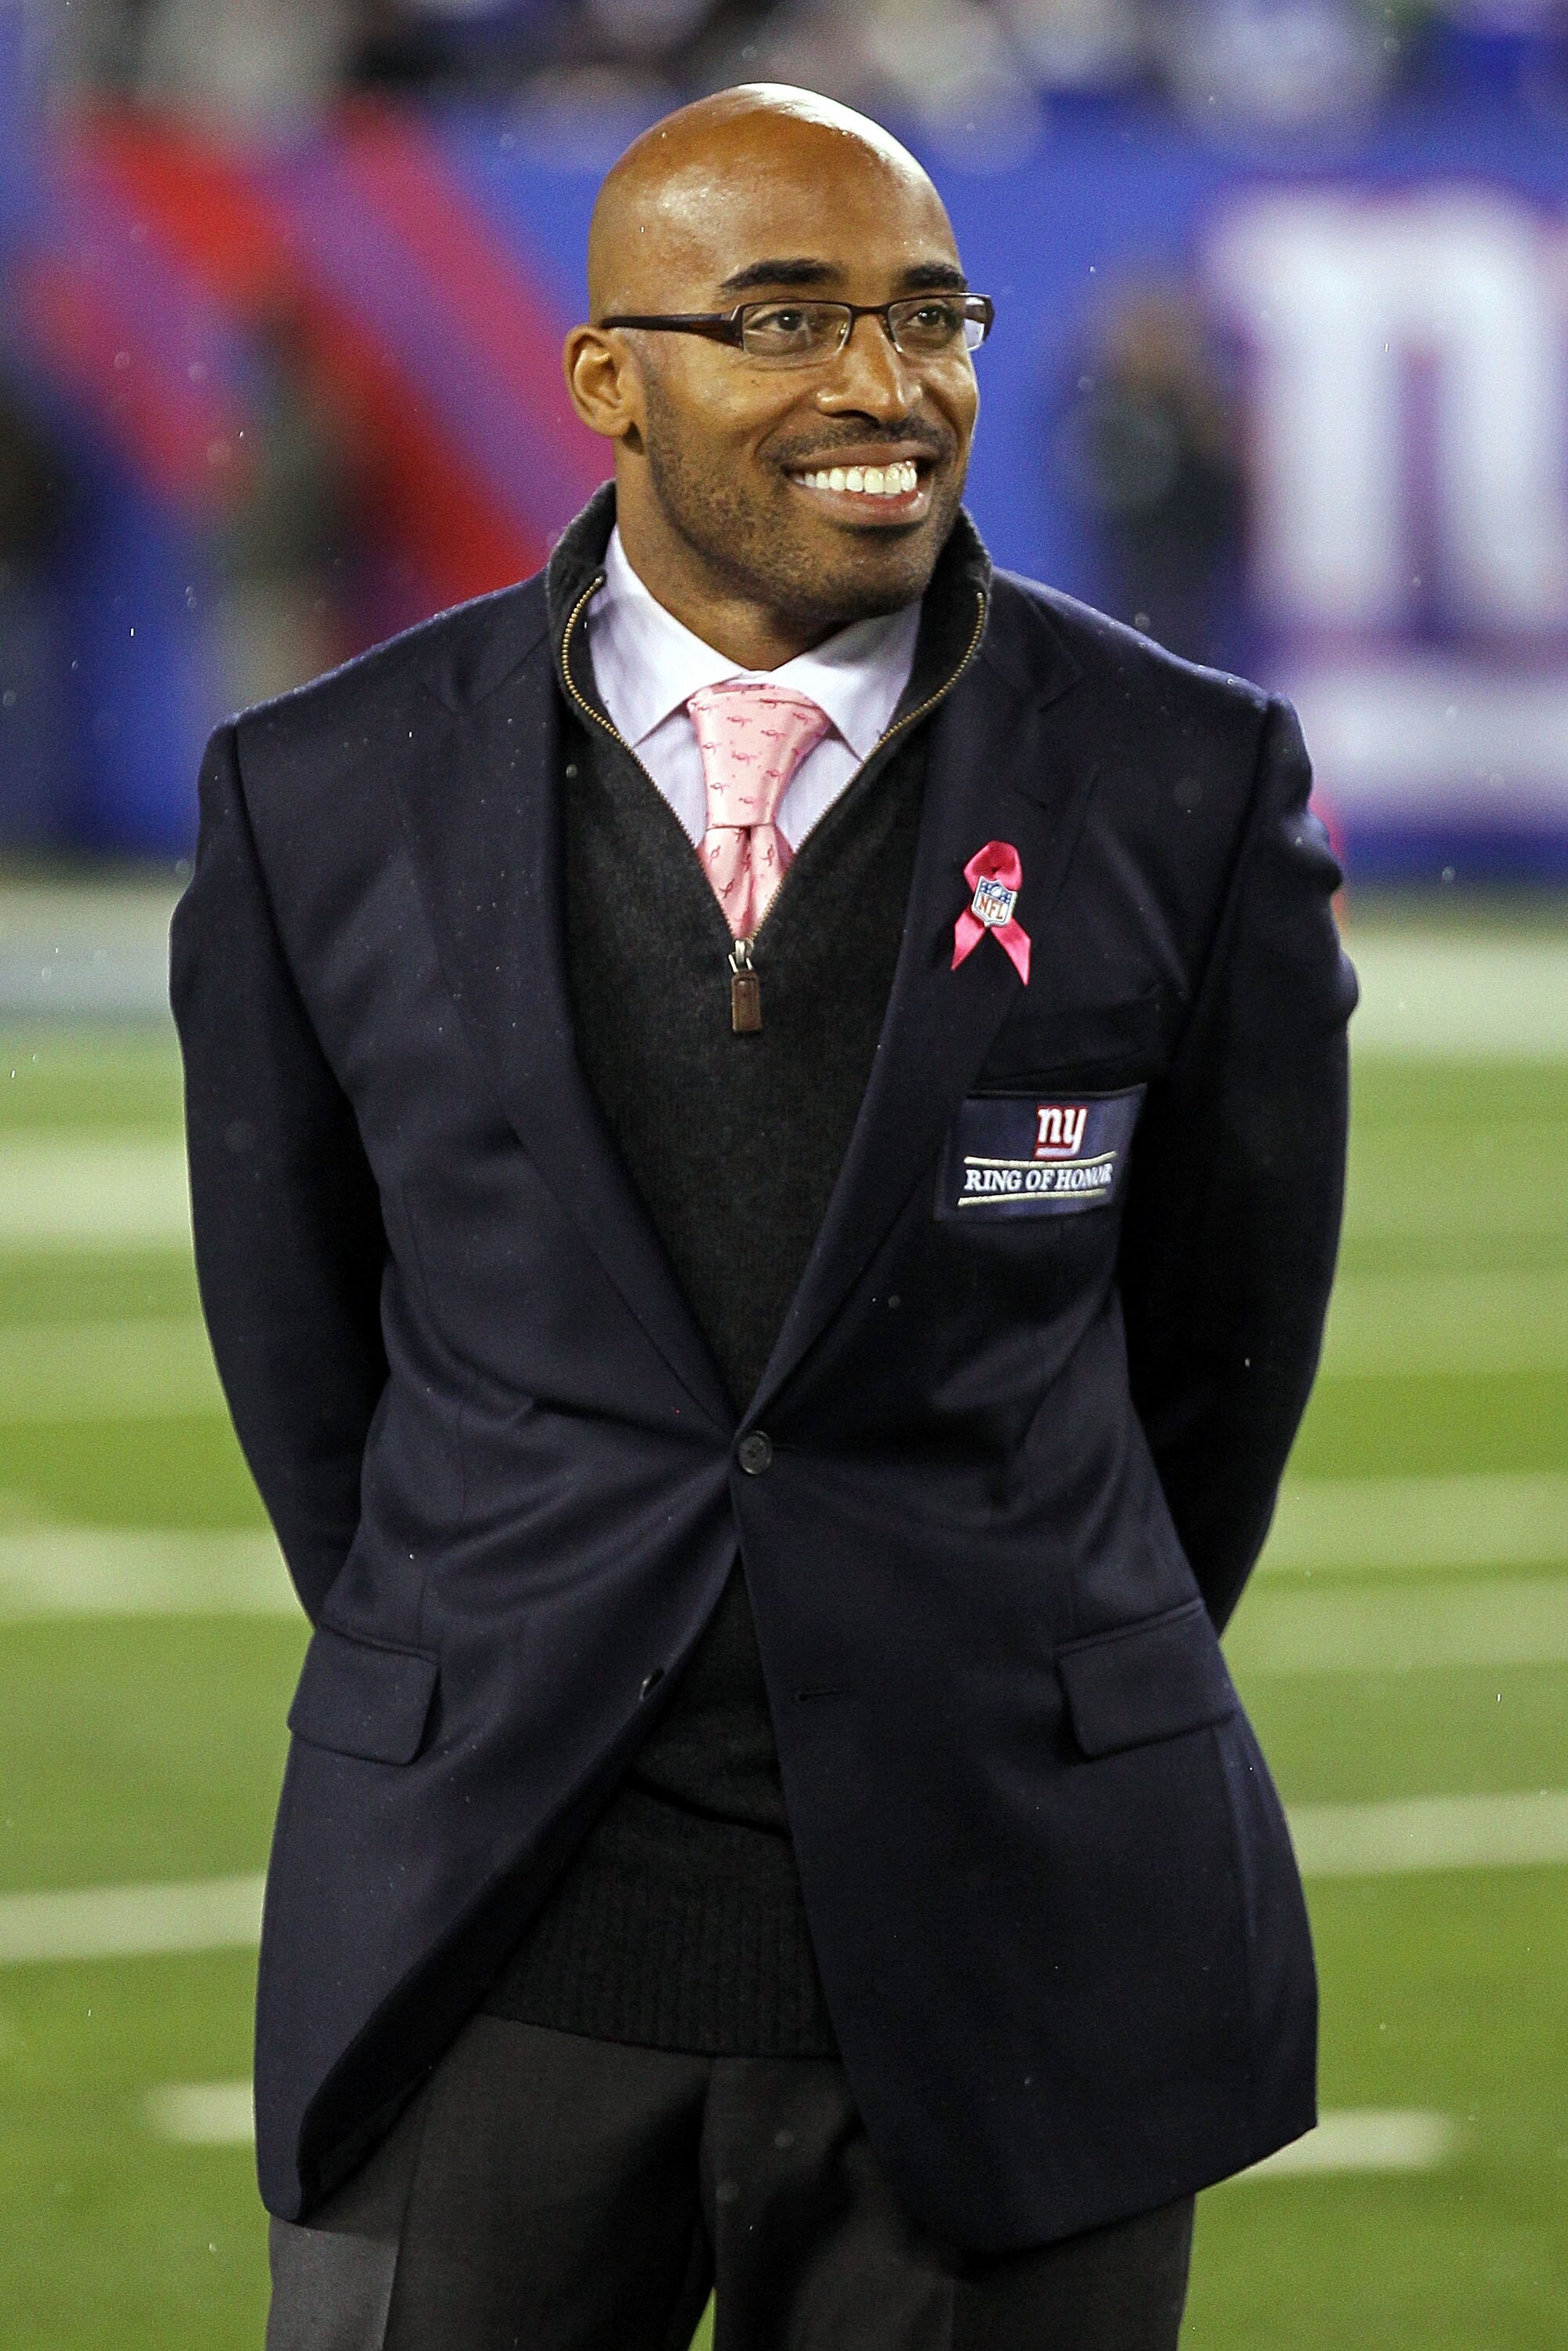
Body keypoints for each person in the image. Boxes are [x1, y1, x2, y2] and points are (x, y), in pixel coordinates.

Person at [171, 83, 1355, 2351]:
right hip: (480, 1962)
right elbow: (309, 1368)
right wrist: (515, 1627)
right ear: (608, 376)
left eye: (930, 317)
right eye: (785, 318)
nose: (881, 390)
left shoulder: (1183, 780)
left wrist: (980, 1650)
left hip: (1009, 1949)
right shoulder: (316, 796)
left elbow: (1222, 1355)